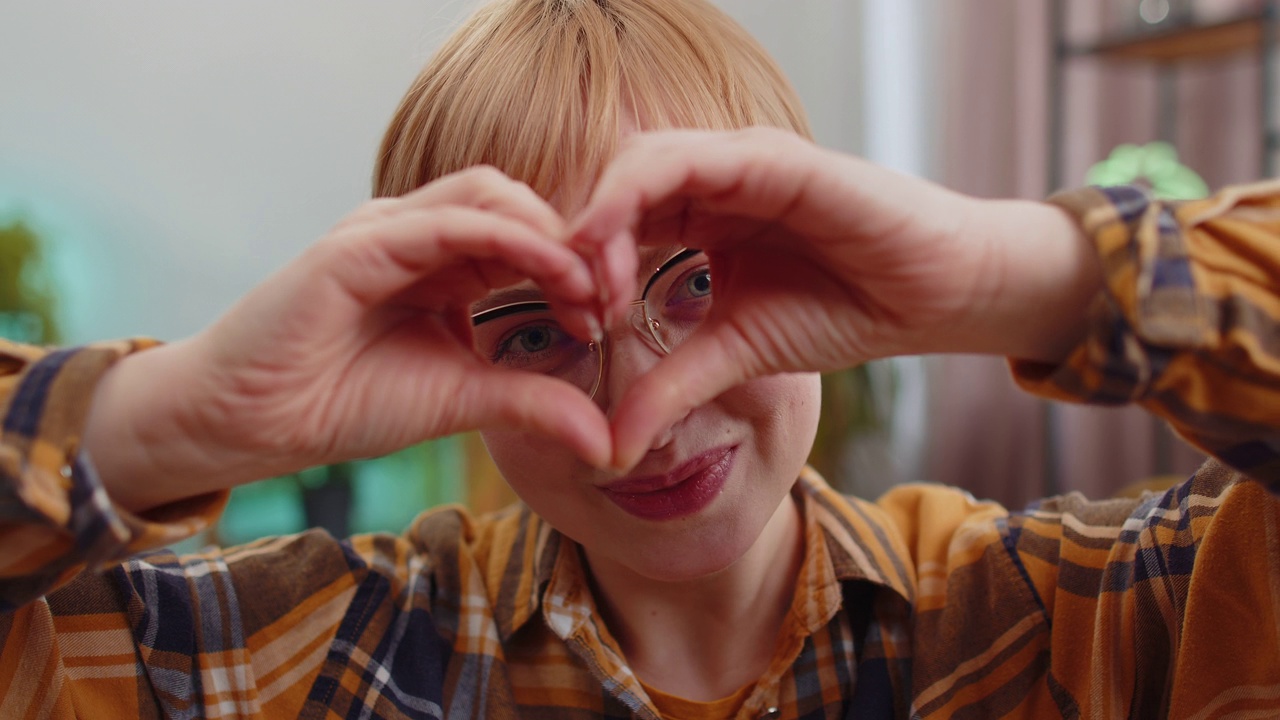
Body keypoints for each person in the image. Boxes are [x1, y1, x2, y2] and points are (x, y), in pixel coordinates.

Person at [2, 0, 1278, 717]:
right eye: (535, 331)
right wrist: (179, 418)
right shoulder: (321, 653)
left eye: (705, 284)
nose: (641, 410)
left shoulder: (1063, 624)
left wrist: (1011, 276)